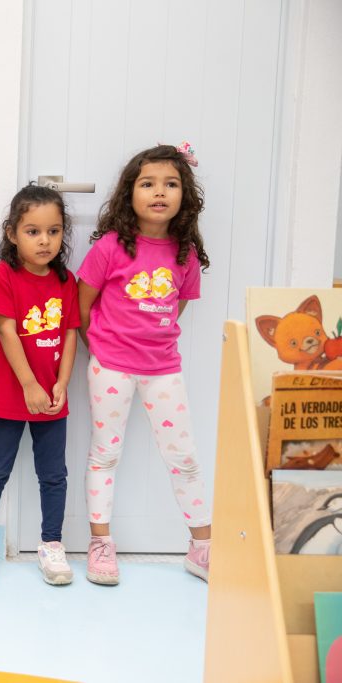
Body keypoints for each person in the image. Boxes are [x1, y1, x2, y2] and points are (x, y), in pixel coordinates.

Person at [77, 142, 212, 584]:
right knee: (105, 454)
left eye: (171, 184)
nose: (160, 192)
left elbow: (178, 307)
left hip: (163, 370)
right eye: (148, 183)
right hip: (111, 367)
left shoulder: (185, 253)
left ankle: (202, 547)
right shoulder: (111, 248)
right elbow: (84, 306)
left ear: (184, 196)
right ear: (129, 193)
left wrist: (152, 339)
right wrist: (100, 347)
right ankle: (100, 544)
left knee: (185, 457)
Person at [0, 185, 79, 587]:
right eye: (33, 231)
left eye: (53, 230)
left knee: (54, 475)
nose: (44, 240)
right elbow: (5, 329)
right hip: (11, 392)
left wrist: (62, 382)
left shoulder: (67, 281)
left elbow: (68, 335)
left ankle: (52, 544)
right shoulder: (2, 275)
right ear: (12, 233)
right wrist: (29, 384)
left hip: (51, 395)